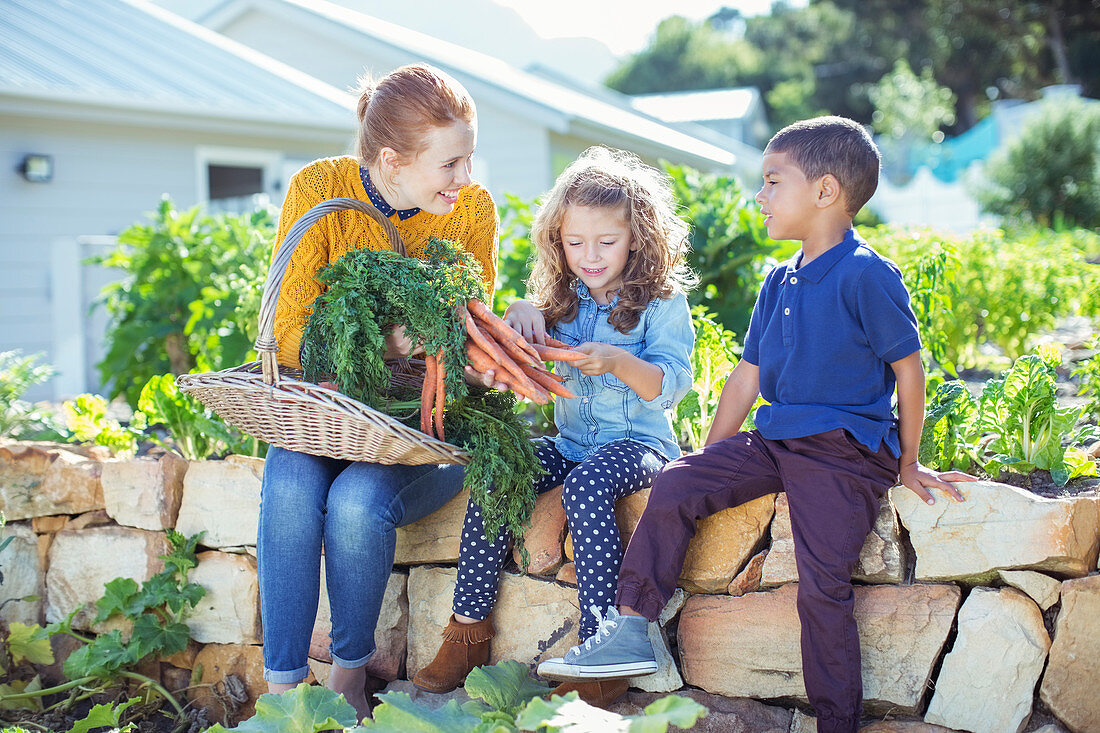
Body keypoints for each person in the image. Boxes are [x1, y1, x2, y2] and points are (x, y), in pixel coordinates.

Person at [534, 117, 977, 732]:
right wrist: (703, 463)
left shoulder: (867, 274)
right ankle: (632, 627)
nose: (760, 196)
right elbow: (746, 377)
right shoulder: (779, 279)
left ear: (824, 192)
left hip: (842, 453)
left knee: (822, 590)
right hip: (774, 442)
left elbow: (908, 369)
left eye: (773, 182)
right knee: (676, 483)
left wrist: (905, 462)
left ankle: (835, 723)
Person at [411, 146, 696, 708]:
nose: (590, 256)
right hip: (570, 442)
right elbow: (526, 330)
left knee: (587, 484)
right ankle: (467, 632)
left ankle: (601, 645)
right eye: (575, 243)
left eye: (606, 243)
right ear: (556, 242)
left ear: (637, 237)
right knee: (503, 472)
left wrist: (617, 361)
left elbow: (672, 384)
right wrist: (521, 311)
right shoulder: (560, 301)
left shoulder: (661, 303)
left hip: (639, 446)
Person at [259, 63, 500, 720]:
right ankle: (282, 699)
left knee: (361, 501)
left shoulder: (471, 211)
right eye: (450, 164)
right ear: (391, 162)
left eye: (469, 157)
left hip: (419, 433)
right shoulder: (320, 189)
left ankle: (346, 681)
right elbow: (288, 336)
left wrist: (468, 337)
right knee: (289, 485)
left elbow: (471, 336)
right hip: (327, 418)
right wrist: (389, 343)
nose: (467, 178)